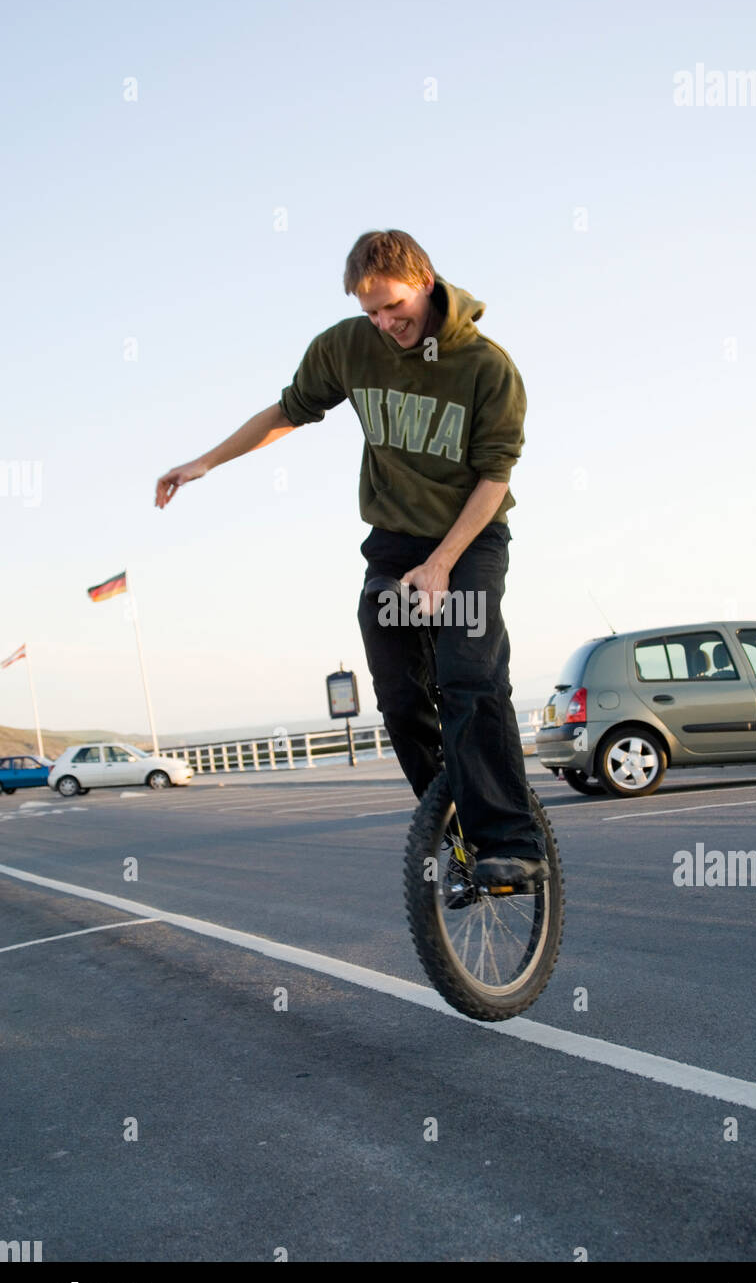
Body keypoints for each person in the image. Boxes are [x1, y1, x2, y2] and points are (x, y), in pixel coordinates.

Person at [155, 229, 548, 884]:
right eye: (371, 312)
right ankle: (453, 827)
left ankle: (514, 842)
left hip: (470, 539)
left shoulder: (485, 368)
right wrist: (203, 463)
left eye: (393, 307)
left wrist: (444, 561)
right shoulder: (348, 347)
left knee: (469, 677)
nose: (384, 323)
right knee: (399, 697)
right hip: (395, 544)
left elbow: (493, 479)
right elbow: (288, 410)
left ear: (424, 282)